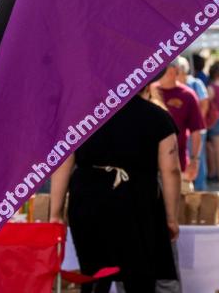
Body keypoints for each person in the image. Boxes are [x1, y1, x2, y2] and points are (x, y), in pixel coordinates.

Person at [49, 82, 182, 293]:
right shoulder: (157, 116)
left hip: (88, 199)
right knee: (139, 275)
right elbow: (171, 170)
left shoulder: (82, 114)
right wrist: (171, 217)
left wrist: (55, 213)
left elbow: (63, 163)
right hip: (137, 202)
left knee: (92, 274)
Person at [157, 61, 205, 179]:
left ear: (173, 70)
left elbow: (196, 131)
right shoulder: (149, 92)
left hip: (179, 163)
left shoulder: (188, 95)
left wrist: (194, 160)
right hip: (150, 163)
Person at [176, 56, 209, 190]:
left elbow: (204, 104)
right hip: (182, 131)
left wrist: (194, 123)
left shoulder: (195, 83)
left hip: (196, 130)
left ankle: (200, 190)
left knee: (197, 160)